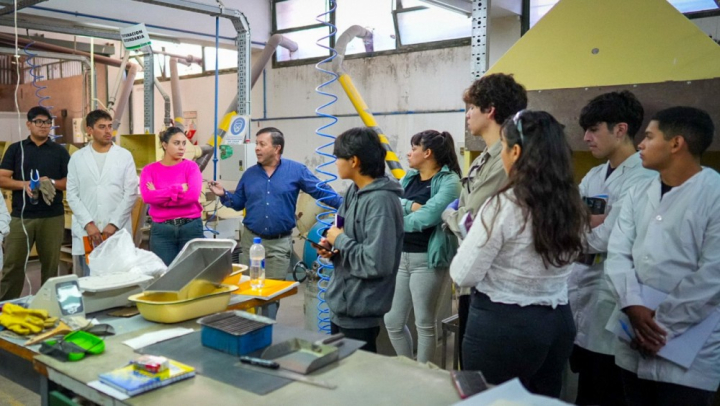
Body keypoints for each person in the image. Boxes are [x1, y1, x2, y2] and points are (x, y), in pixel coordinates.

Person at [450, 110, 588, 397]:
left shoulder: (505, 204)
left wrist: (470, 239)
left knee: (491, 400)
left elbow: (464, 274)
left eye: (503, 146)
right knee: (541, 400)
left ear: (515, 152)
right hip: (557, 321)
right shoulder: (571, 202)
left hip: (505, 326)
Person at [606, 106, 720, 406]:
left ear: (676, 143)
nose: (640, 144)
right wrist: (632, 304)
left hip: (688, 354)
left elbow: (713, 275)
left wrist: (659, 328)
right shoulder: (639, 192)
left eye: (649, 136)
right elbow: (618, 253)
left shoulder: (714, 194)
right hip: (632, 337)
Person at [568, 91, 654, 406]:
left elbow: (608, 238)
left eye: (594, 129)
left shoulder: (644, 178)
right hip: (580, 293)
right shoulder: (594, 175)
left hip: (611, 301)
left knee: (608, 389)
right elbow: (563, 222)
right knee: (585, 386)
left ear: (620, 129)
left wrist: (584, 228)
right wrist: (589, 224)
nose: (586, 138)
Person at [442, 73, 527, 364]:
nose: (467, 115)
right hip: (473, 280)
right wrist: (458, 215)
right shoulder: (483, 159)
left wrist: (447, 214)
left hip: (491, 286)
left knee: (482, 375)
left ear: (490, 110)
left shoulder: (505, 162)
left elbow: (472, 221)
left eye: (472, 108)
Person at [209, 127, 342, 281]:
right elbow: (238, 203)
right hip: (251, 242)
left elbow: (322, 191)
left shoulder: (296, 171)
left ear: (277, 148)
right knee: (248, 289)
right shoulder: (249, 174)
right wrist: (223, 194)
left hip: (279, 244)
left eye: (262, 144)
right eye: (256, 144)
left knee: (274, 290)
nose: (257, 148)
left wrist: (348, 205)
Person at [318, 127, 404, 353]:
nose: (336, 163)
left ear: (354, 161)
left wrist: (340, 241)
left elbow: (376, 263)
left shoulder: (381, 202)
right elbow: (341, 230)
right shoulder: (353, 192)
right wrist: (331, 246)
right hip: (342, 305)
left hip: (361, 311)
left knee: (358, 372)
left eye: (338, 157)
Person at [384, 130, 461, 363]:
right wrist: (411, 206)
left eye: (414, 148)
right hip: (401, 257)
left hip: (428, 260)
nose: (409, 153)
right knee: (393, 321)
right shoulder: (409, 178)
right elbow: (392, 202)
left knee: (424, 322)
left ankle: (423, 373)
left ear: (427, 153)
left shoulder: (450, 181)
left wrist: (400, 218)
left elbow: (428, 217)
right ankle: (409, 368)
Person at [0, 106, 70, 300]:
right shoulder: (16, 149)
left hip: (52, 217)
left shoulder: (59, 152)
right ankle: (5, 306)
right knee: (13, 265)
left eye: (47, 122)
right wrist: (24, 184)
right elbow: (2, 178)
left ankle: (48, 306)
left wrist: (51, 182)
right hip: (22, 217)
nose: (43, 126)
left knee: (51, 266)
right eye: (39, 121)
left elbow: (69, 182)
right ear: (28, 124)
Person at [66, 110, 139, 276]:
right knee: (90, 279)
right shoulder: (77, 158)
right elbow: (72, 194)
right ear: (89, 130)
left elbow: (131, 193)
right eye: (102, 127)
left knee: (118, 278)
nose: (108, 131)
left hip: (117, 230)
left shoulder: (124, 156)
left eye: (109, 126)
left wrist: (114, 224)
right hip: (88, 232)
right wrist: (89, 224)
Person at [140, 127, 203, 266]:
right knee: (165, 273)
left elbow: (192, 196)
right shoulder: (149, 170)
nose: (181, 147)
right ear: (164, 145)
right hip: (162, 230)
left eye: (184, 143)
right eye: (176, 143)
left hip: (190, 227)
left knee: (192, 271)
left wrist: (159, 195)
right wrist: (178, 189)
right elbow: (148, 198)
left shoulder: (191, 167)